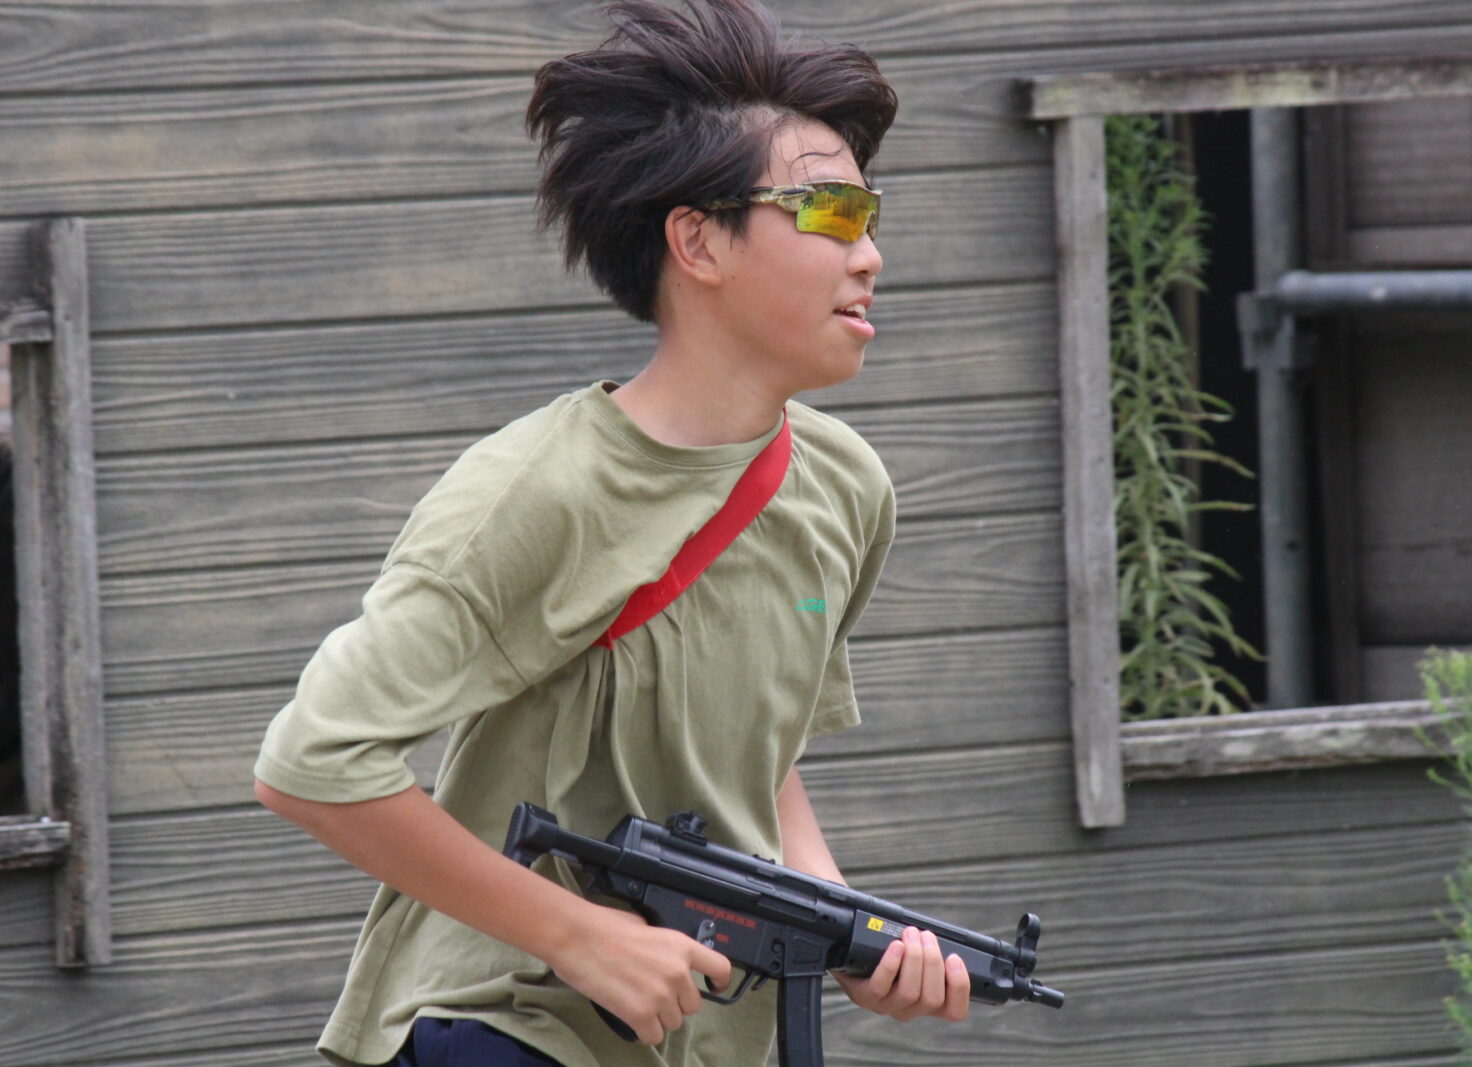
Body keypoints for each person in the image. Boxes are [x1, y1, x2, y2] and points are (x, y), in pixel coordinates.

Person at [252, 1, 971, 1064]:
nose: (869, 255)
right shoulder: (536, 491)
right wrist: (576, 933)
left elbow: (757, 757)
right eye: (830, 212)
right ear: (697, 240)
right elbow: (312, 761)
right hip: (505, 1023)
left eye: (871, 216)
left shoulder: (842, 485)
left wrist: (842, 926)